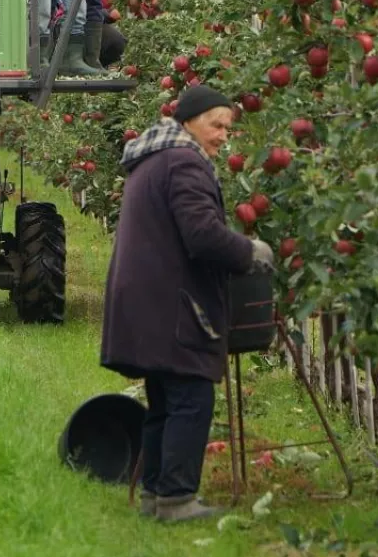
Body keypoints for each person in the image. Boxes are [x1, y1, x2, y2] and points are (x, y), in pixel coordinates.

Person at [99, 86, 274, 521]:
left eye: (227, 128)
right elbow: (202, 235)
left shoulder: (156, 158)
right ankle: (177, 498)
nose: (222, 136)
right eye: (216, 125)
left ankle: (156, 497)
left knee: (164, 401)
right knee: (192, 397)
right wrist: (250, 252)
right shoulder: (184, 162)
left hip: (148, 299)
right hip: (171, 303)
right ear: (190, 121)